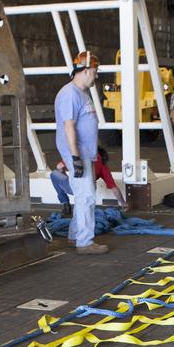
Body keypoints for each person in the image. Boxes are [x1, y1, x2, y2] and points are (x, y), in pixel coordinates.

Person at [54, 50, 106, 254]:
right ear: (85, 70)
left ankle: (75, 235)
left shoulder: (81, 93)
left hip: (85, 154)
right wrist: (75, 157)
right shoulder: (69, 94)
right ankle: (85, 242)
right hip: (78, 154)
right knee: (86, 197)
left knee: (84, 195)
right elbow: (69, 127)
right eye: (95, 71)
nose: (96, 75)